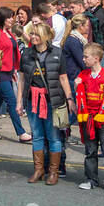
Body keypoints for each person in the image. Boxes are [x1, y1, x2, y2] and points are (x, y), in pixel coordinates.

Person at [17, 17, 71, 183]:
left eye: (37, 34)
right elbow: (22, 79)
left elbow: (63, 78)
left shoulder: (57, 52)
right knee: (38, 136)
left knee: (54, 136)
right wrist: (19, 102)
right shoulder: (26, 53)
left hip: (52, 101)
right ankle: (39, 170)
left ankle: (53, 172)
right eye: (32, 34)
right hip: (33, 100)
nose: (33, 37)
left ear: (46, 36)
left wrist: (70, 99)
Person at [75, 42, 104, 191]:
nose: (83, 59)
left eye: (86, 57)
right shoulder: (83, 75)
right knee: (90, 151)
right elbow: (79, 95)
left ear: (96, 58)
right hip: (89, 118)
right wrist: (76, 86)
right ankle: (90, 179)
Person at [0, 6, 30, 143]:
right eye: (9, 17)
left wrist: (13, 71)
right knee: (11, 101)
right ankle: (21, 133)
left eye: (13, 16)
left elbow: (12, 53)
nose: (12, 19)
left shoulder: (8, 33)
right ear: (3, 19)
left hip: (8, 72)